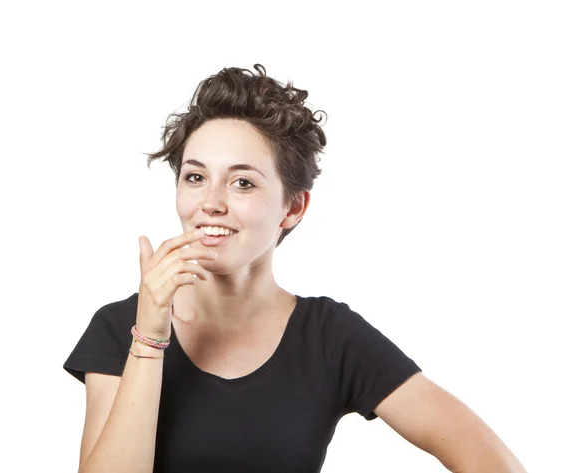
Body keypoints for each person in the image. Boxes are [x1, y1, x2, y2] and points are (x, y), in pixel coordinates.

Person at [63, 64, 527, 473]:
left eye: (242, 182)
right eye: (196, 176)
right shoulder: (118, 327)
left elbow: (491, 461)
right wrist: (148, 337)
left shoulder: (330, 337)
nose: (211, 203)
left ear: (292, 208)